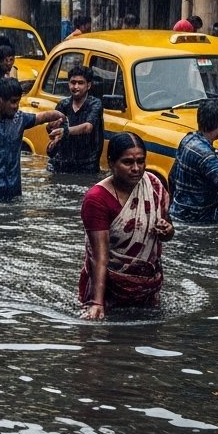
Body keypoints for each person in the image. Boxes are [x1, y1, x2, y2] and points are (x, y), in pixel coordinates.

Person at [78, 133, 175, 320]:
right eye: (128, 162)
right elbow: (100, 256)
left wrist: (168, 230)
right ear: (111, 163)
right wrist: (97, 304)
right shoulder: (97, 199)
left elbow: (167, 231)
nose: (136, 168)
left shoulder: (153, 186)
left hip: (146, 289)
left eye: (141, 161)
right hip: (108, 289)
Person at [0, 77, 63, 202]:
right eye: (13, 102)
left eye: (18, 102)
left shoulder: (20, 119)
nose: (16, 107)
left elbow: (42, 117)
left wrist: (61, 118)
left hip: (13, 194)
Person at [46, 65, 104, 173]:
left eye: (80, 83)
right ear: (68, 84)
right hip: (63, 164)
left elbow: (88, 127)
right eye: (73, 82)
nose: (76, 86)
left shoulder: (95, 104)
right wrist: (51, 128)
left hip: (87, 165)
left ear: (89, 85)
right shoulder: (63, 105)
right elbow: (54, 131)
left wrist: (65, 131)